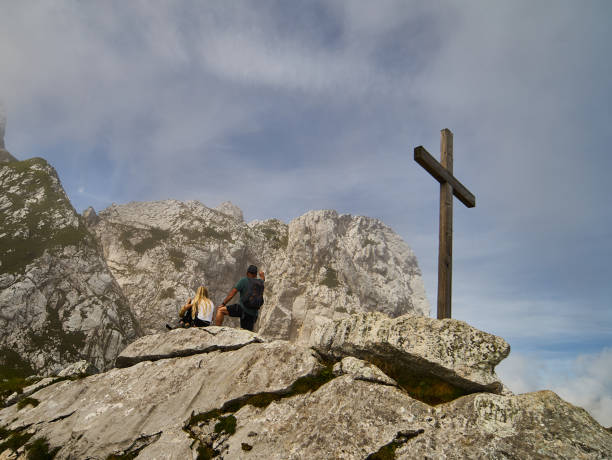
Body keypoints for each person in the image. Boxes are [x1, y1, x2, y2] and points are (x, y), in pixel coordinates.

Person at [215, 265, 265, 331]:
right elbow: (263, 279)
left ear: (247, 273)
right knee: (247, 333)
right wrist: (262, 275)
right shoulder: (260, 282)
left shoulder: (244, 280)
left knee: (220, 310)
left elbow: (231, 295)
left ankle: (216, 331)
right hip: (253, 314)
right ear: (256, 274)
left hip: (242, 309)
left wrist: (223, 304)